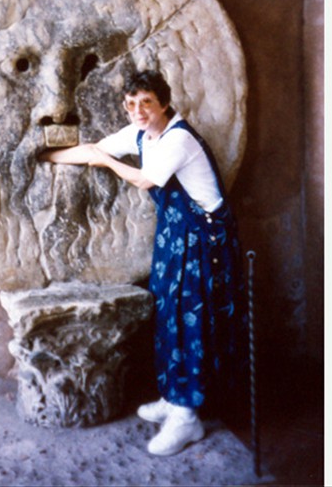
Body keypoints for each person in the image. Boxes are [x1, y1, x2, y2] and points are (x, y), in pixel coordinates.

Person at [40, 69, 245, 456]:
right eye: (131, 104)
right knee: (168, 314)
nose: (138, 111)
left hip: (203, 241)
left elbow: (144, 180)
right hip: (175, 237)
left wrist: (107, 162)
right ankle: (173, 396)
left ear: (164, 103)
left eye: (146, 103)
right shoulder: (140, 134)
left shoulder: (178, 138)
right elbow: (91, 152)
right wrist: (45, 156)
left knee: (192, 321)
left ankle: (188, 416)